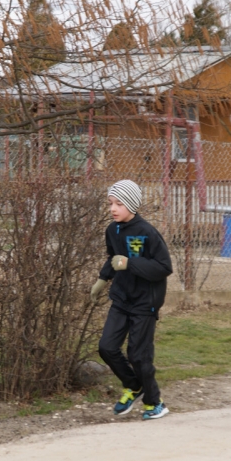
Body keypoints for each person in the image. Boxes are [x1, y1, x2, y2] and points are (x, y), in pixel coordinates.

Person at [90, 180, 173, 420]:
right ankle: (134, 385)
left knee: (138, 355)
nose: (113, 208)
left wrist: (130, 263)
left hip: (145, 302)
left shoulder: (147, 232)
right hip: (122, 298)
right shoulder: (112, 230)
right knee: (106, 347)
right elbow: (112, 258)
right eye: (111, 203)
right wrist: (102, 280)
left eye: (119, 203)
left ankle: (154, 402)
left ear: (132, 205)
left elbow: (164, 266)